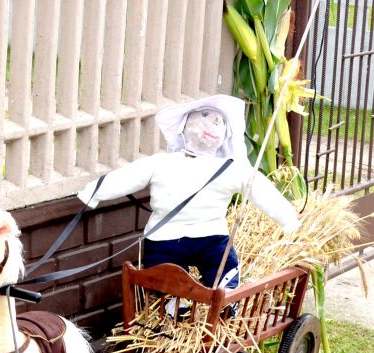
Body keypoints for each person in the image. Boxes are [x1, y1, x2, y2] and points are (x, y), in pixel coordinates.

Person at [77, 94, 301, 290]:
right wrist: (93, 192)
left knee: (217, 269)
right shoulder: (166, 163)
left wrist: (287, 218)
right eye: (204, 116)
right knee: (180, 272)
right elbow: (127, 177)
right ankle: (190, 302)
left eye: (218, 121)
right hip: (177, 236)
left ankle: (218, 299)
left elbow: (260, 188)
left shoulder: (225, 168)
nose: (211, 124)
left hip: (198, 236)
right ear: (184, 126)